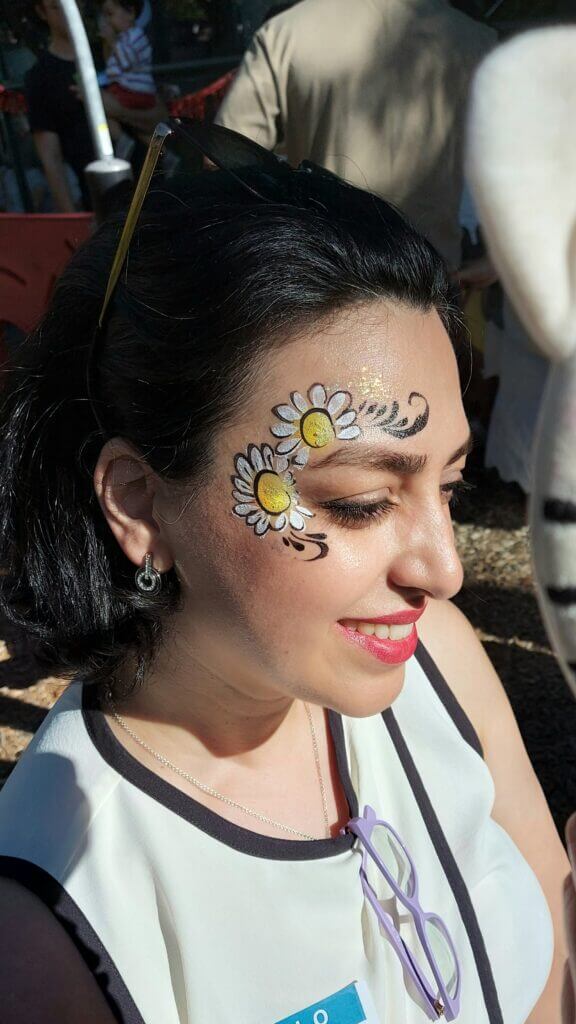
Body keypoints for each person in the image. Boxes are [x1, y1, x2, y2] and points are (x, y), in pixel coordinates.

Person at [0, 125, 568, 1023]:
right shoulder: (54, 932)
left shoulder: (434, 663)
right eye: (358, 502)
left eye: (450, 486)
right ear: (141, 501)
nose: (445, 571)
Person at [215, 0, 496, 270]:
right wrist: (493, 264)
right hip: (433, 276)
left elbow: (221, 158)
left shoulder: (285, 32)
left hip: (325, 271)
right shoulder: (473, 38)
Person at [25, 0, 96, 210]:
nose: (69, 12)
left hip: (147, 188)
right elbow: (51, 158)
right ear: (41, 11)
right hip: (94, 201)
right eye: (58, 6)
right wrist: (72, 220)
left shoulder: (113, 55)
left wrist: (111, 105)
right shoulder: (40, 77)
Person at [99, 0, 156, 114]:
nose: (108, 21)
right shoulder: (122, 39)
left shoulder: (137, 36)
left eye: (110, 14)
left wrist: (112, 42)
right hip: (122, 88)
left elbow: (127, 63)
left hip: (134, 90)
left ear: (131, 13)